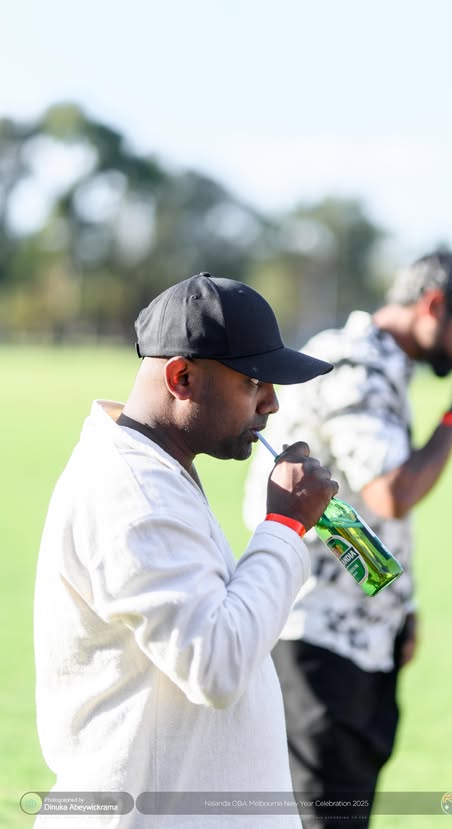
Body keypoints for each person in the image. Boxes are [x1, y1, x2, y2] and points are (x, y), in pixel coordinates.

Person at [33, 272, 340, 828]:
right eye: (254, 382)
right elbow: (214, 665)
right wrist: (284, 525)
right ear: (181, 377)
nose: (271, 404)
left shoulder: (155, 472)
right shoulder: (134, 494)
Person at [243, 252, 452, 827]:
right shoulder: (353, 364)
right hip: (316, 638)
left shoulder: (386, 366)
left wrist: (400, 612)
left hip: (361, 636)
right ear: (435, 305)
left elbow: (370, 512)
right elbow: (391, 491)